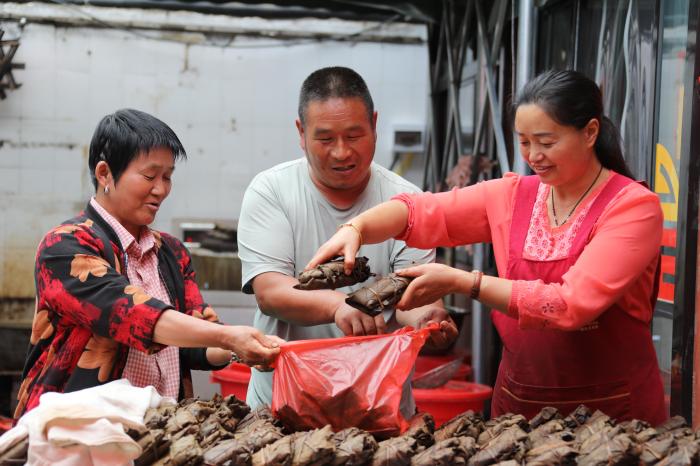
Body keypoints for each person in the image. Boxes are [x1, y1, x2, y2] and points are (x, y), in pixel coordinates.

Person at [308, 70, 666, 425]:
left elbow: (569, 305)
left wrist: (465, 282)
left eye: (546, 141)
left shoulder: (632, 208)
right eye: (524, 142)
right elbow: (425, 211)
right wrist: (357, 227)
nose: (534, 155)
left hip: (614, 416)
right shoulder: (512, 195)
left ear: (590, 132)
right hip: (520, 410)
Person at [15, 109, 282, 419]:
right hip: (77, 433)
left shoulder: (172, 251)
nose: (161, 189)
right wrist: (230, 336)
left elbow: (197, 341)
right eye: (150, 176)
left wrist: (245, 347)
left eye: (167, 176)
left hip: (160, 432)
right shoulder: (64, 246)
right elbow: (134, 314)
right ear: (105, 174)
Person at [237, 66, 458, 415]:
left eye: (354, 136)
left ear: (374, 123)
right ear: (301, 132)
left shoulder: (407, 202)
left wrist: (429, 319)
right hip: (282, 405)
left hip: (378, 406)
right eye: (325, 139)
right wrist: (337, 306)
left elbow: (413, 296)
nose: (341, 152)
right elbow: (270, 292)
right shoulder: (272, 191)